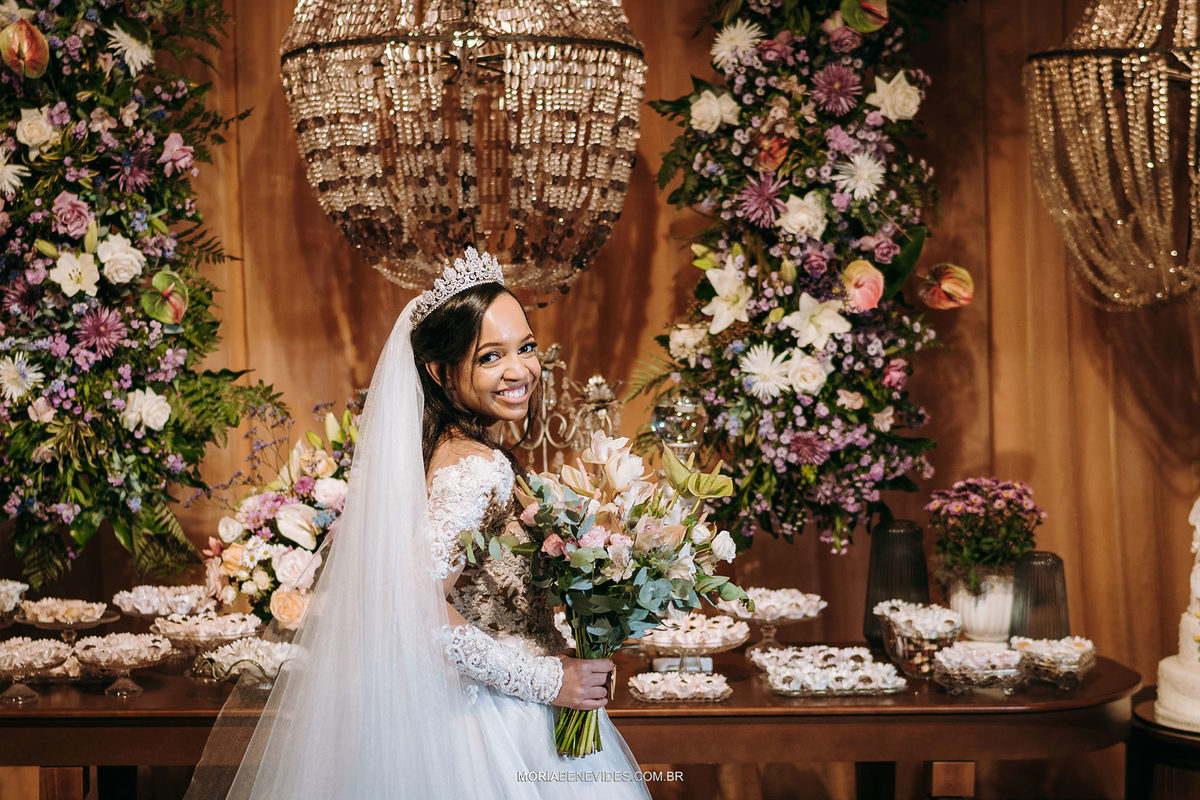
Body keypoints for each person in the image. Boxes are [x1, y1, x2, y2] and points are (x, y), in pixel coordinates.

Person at [186, 249, 650, 799]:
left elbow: (485, 599)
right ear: (438, 370)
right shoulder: (473, 468)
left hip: (480, 708)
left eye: (526, 347)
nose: (519, 370)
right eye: (490, 357)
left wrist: (561, 647)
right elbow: (417, 612)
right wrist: (548, 680)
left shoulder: (445, 449)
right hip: (491, 731)